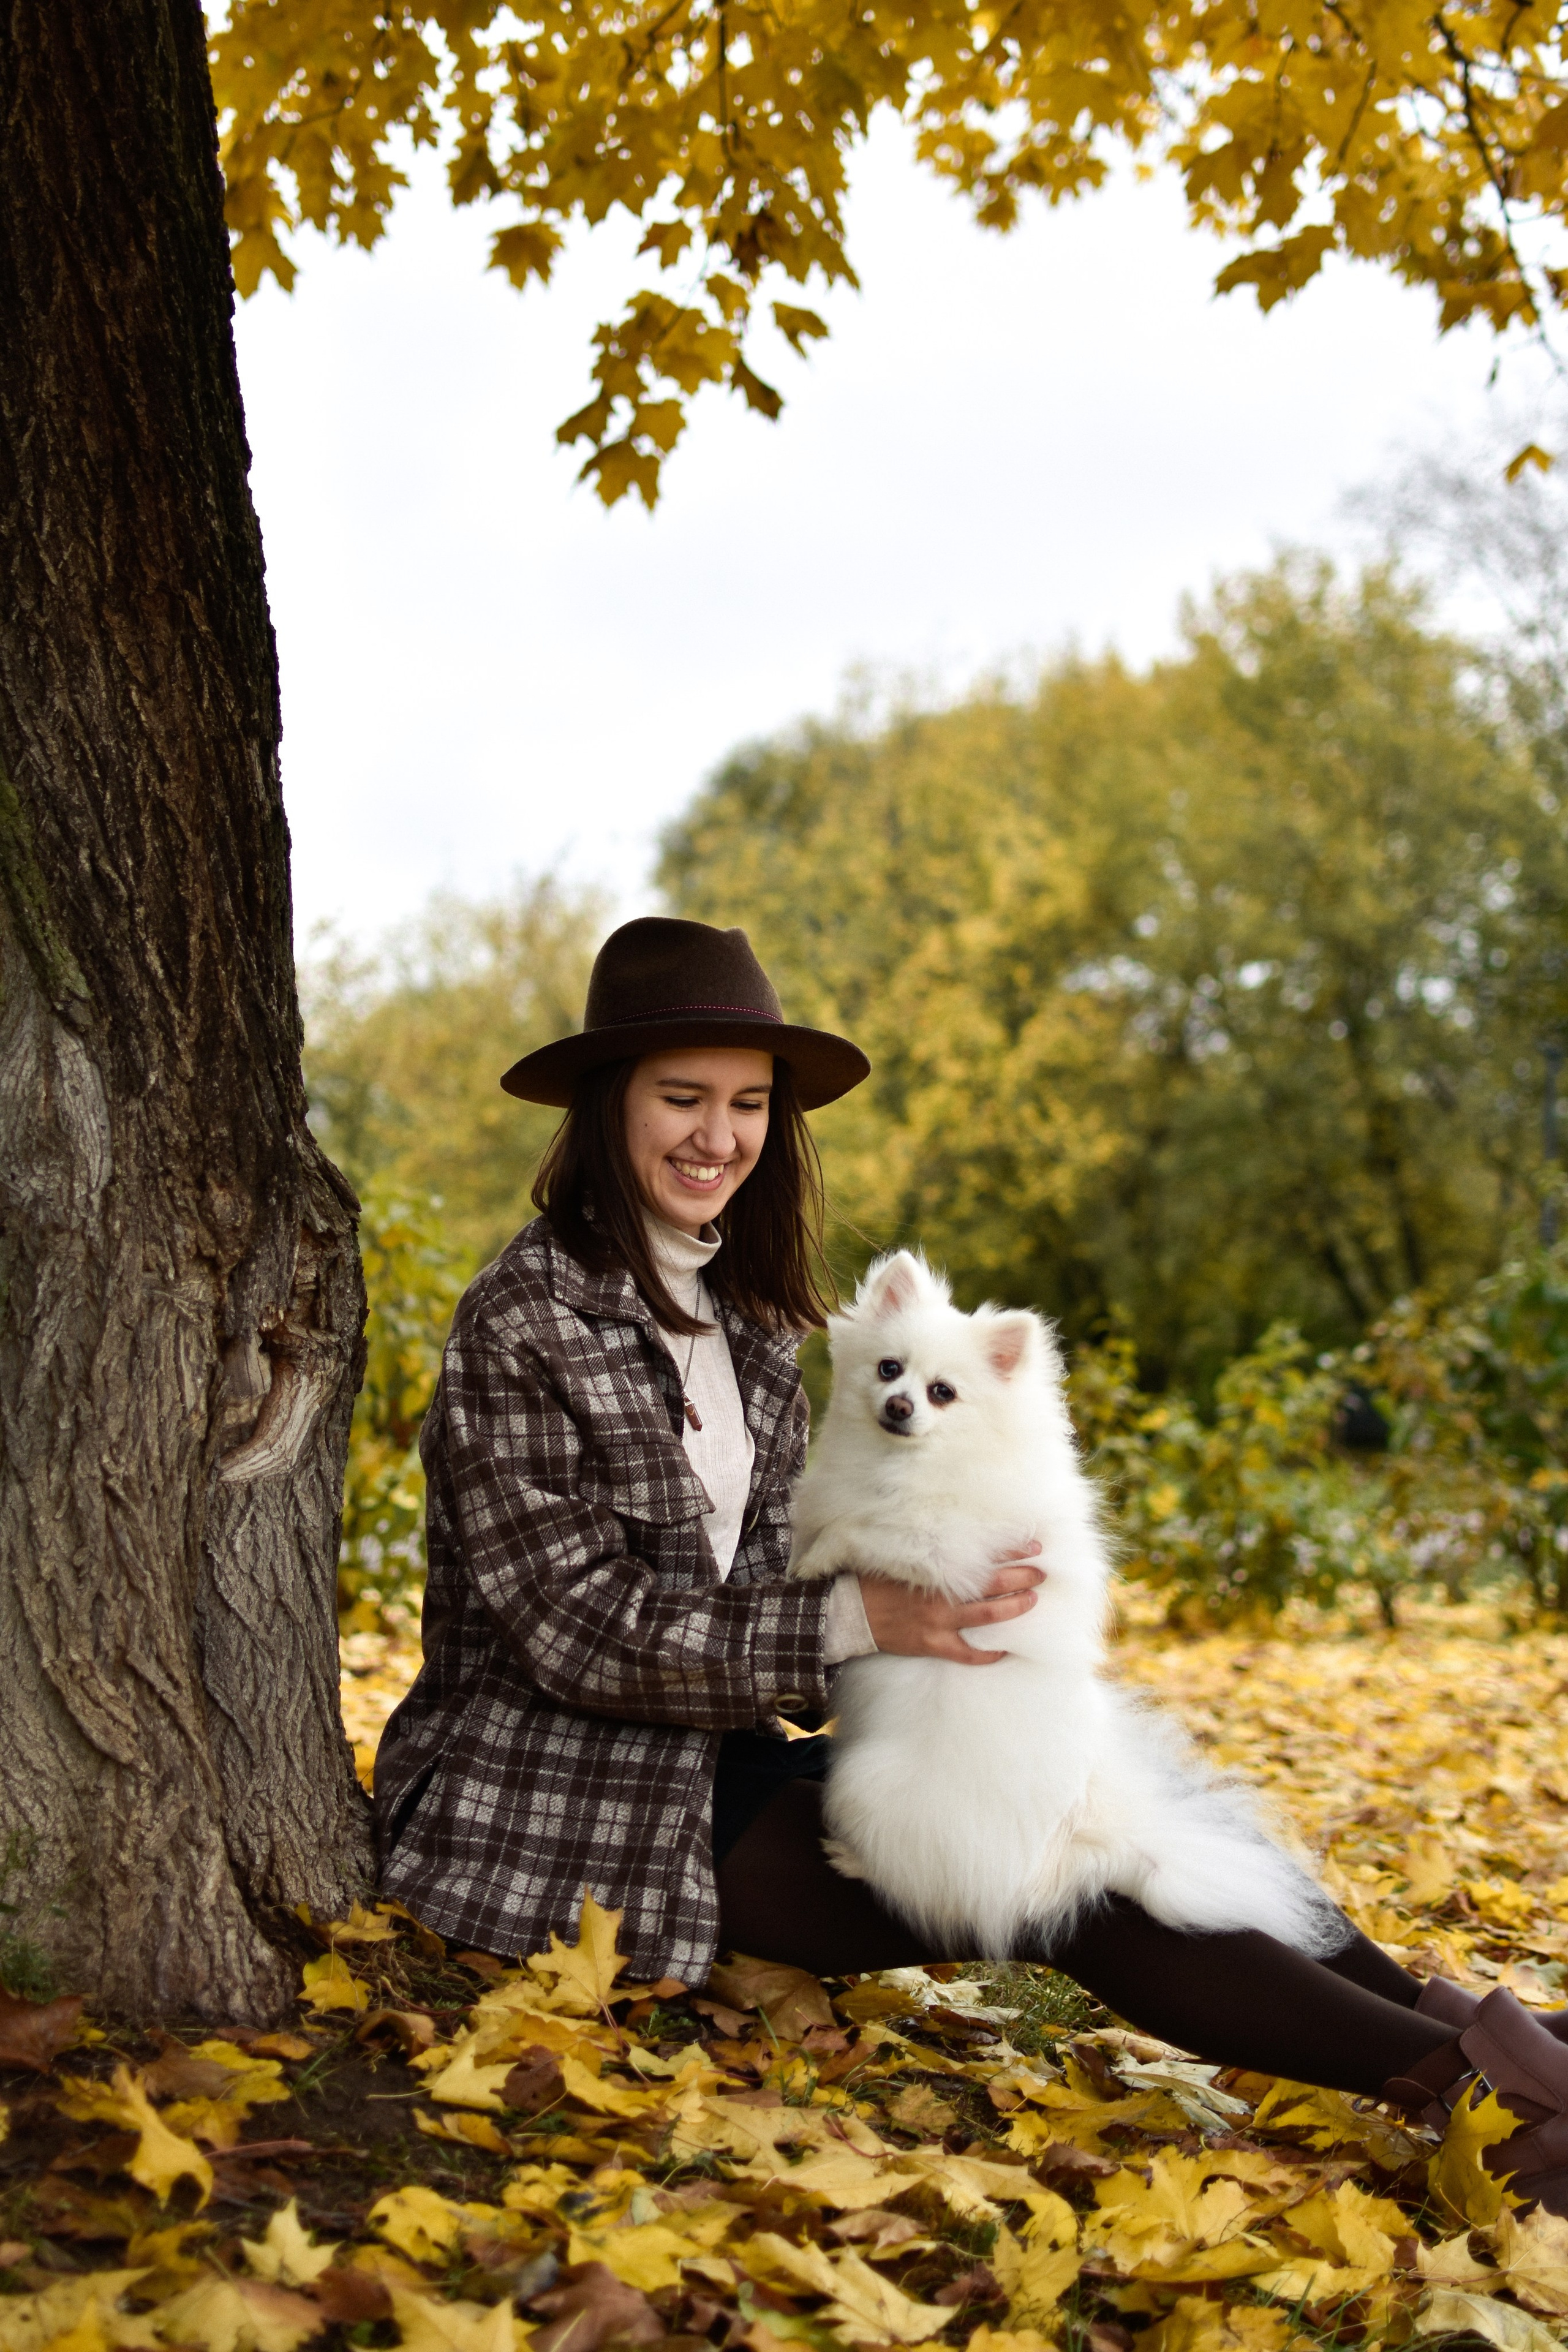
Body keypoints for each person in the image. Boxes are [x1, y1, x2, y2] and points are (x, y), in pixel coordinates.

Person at [375, 916, 1568, 2214]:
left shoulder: (760, 1321)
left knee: (1129, 1810)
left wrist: (965, 1571)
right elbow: (574, 1626)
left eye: (746, 1104)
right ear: (608, 1106)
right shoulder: (525, 1317)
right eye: (681, 1099)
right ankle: (1498, 2106)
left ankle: (1514, 2052)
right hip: (558, 1794)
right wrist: (864, 1615)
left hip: (715, 1748)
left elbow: (805, 1552)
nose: (715, 1136)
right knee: (1052, 1872)